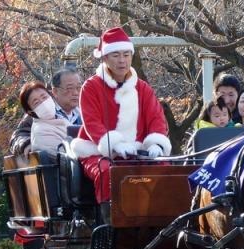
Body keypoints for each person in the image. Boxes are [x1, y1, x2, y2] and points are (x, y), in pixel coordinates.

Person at [70, 27, 172, 223]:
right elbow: (92, 123)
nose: (122, 60)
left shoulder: (143, 88)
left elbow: (157, 119)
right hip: (96, 151)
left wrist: (156, 145)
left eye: (126, 54)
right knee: (109, 172)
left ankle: (163, 226)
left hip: (138, 151)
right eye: (116, 55)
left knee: (166, 169)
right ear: (105, 58)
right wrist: (114, 145)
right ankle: (113, 230)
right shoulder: (91, 87)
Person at [9, 68, 83, 156]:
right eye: (69, 88)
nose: (75, 92)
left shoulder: (83, 111)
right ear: (55, 91)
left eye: (78, 87)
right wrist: (27, 145)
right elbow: (18, 135)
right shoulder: (38, 115)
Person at [18, 81, 70, 154]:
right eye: (36, 102)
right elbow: (65, 159)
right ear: (30, 111)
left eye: (44, 97)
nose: (43, 103)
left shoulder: (60, 118)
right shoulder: (41, 133)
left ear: (51, 96)